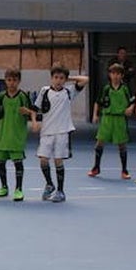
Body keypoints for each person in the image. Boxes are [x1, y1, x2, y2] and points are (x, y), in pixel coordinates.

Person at [35, 64, 88, 202]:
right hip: (46, 131)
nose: (58, 80)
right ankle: (49, 184)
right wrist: (34, 122)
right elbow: (35, 108)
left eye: (61, 78)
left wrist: (69, 78)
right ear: (51, 78)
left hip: (62, 132)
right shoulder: (44, 91)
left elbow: (85, 79)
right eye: (56, 77)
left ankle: (60, 190)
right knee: (43, 160)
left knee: (58, 161)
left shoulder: (69, 91)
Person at [0, 68, 36, 202]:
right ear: (5, 81)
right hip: (3, 134)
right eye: (9, 80)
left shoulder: (23, 96)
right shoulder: (1, 96)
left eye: (14, 80)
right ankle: (4, 187)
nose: (12, 83)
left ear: (19, 81)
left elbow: (32, 112)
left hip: (17, 135)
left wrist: (29, 114)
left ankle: (19, 189)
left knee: (18, 163)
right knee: (0, 162)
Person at [89, 63, 134, 180]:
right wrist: (95, 115)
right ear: (109, 74)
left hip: (120, 118)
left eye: (118, 73)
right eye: (113, 73)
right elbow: (97, 102)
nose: (115, 76)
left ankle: (124, 170)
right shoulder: (106, 88)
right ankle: (96, 167)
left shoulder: (125, 88)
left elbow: (132, 101)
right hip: (107, 118)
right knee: (99, 142)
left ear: (122, 75)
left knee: (122, 145)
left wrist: (130, 108)